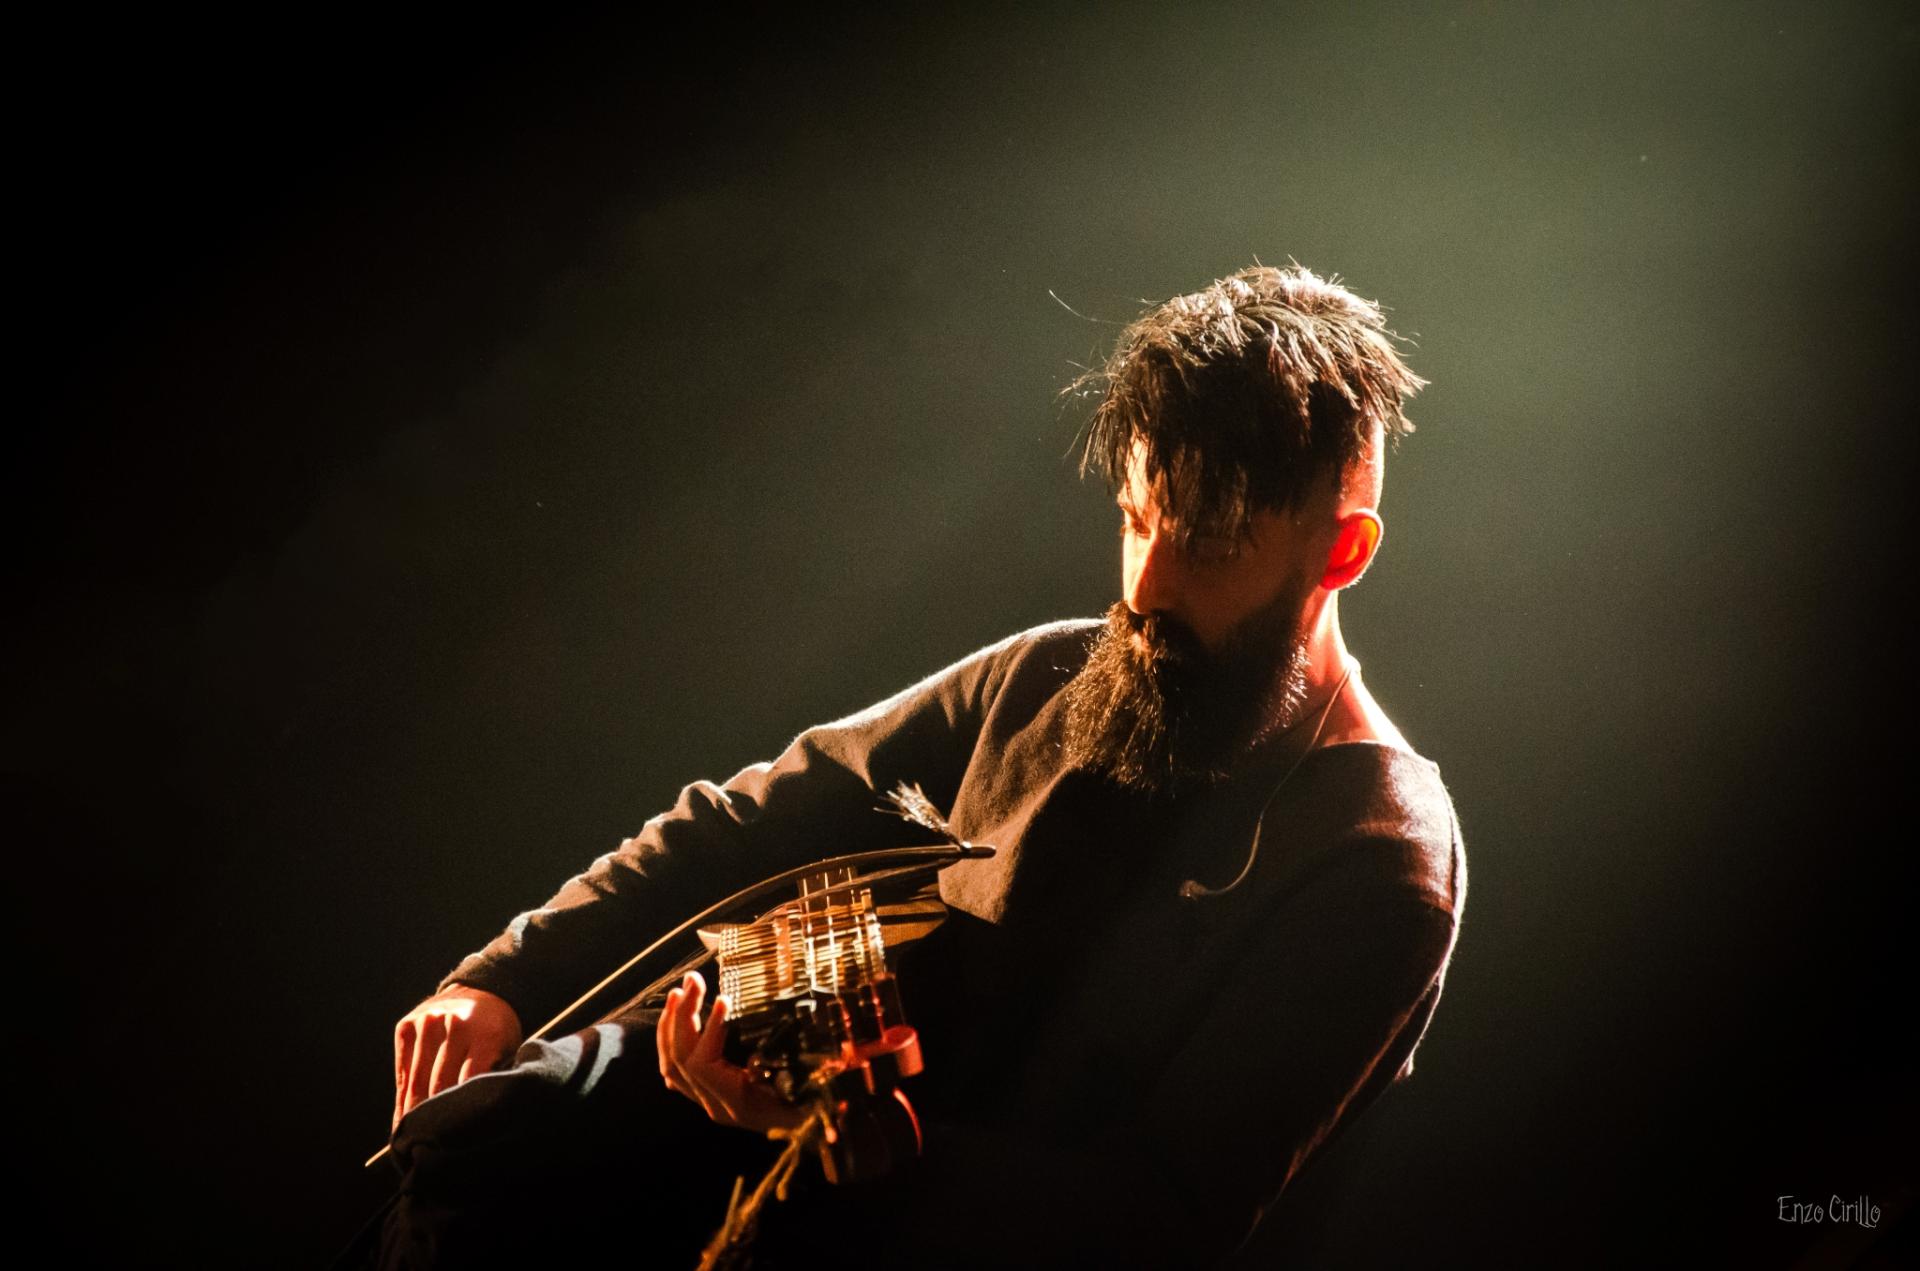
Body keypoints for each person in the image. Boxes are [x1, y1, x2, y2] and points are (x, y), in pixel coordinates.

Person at [362, 263, 1466, 1269]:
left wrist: (820, 1132)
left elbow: (1150, 1218)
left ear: (1341, 551)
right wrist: (503, 977)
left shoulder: (1380, 861)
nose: (1146, 587)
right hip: (760, 1099)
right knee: (470, 1147)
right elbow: (758, 814)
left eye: (1211, 544)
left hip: (903, 1224)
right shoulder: (1063, 668)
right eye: (1139, 519)